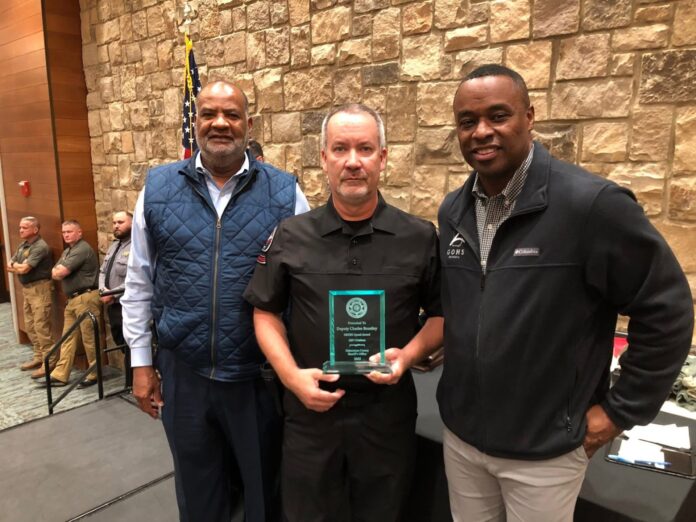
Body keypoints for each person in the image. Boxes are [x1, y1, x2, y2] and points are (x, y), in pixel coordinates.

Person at [438, 64, 694, 521]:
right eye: (467, 121)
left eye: (498, 116)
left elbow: (667, 310)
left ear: (529, 116)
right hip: (462, 440)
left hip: (545, 452)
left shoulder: (591, 206)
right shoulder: (453, 211)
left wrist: (618, 411)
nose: (481, 132)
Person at [244, 103, 444, 522]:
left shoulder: (420, 237)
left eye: (365, 149)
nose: (353, 161)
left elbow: (442, 316)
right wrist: (291, 378)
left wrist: (407, 357)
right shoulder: (291, 235)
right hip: (310, 414)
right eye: (340, 149)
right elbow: (265, 313)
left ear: (382, 158)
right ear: (324, 159)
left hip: (386, 416)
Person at [121, 80, 310, 522]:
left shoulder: (286, 193)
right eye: (208, 114)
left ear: (248, 124)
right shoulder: (158, 188)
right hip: (183, 374)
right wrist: (141, 363)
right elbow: (139, 282)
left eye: (232, 114)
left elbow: (304, 286)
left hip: (256, 377)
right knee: (198, 492)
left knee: (265, 493)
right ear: (195, 122)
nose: (220, 123)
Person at [48, 220, 102, 388]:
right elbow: (54, 272)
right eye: (64, 232)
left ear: (79, 232)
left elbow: (60, 272)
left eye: (70, 231)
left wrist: (58, 271)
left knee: (89, 338)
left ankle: (95, 373)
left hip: (86, 298)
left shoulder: (82, 249)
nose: (66, 235)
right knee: (67, 337)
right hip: (72, 300)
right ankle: (60, 374)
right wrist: (57, 271)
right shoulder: (68, 251)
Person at [7, 216, 56, 378]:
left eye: (25, 227)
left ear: (35, 229)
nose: (21, 230)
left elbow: (24, 269)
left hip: (40, 289)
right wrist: (18, 265)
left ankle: (50, 361)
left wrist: (17, 266)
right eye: (20, 227)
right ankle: (39, 356)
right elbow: (9, 265)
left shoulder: (40, 247)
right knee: (30, 325)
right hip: (27, 290)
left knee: (41, 326)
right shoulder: (23, 245)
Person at [98, 211, 132, 368]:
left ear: (132, 223)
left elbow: (135, 279)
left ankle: (134, 379)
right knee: (120, 341)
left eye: (120, 222)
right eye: (114, 223)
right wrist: (103, 290)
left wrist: (111, 293)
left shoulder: (137, 247)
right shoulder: (114, 246)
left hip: (127, 305)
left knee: (131, 347)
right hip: (112, 305)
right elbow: (103, 271)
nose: (116, 226)